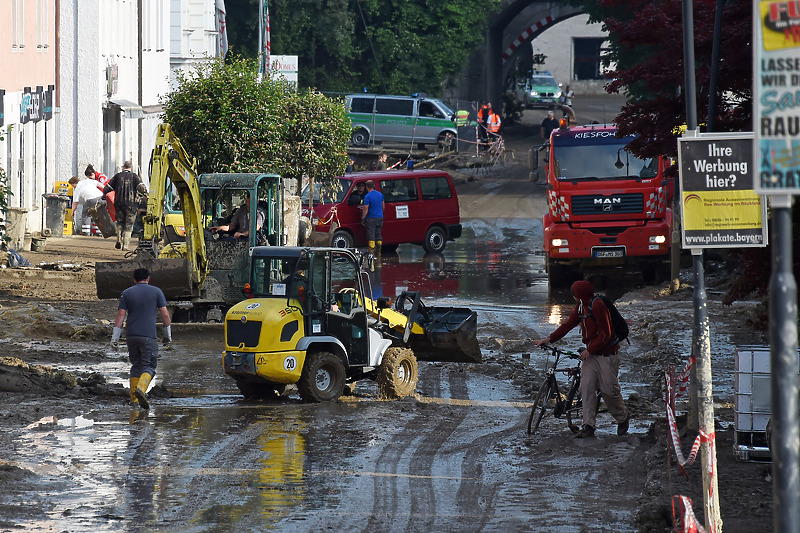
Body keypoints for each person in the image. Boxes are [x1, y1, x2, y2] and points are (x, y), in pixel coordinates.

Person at [535, 280, 630, 438]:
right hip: (591, 356)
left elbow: (605, 334)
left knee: (609, 390)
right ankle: (588, 426)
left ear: (579, 295)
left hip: (607, 355)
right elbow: (568, 325)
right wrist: (549, 339)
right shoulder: (581, 306)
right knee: (586, 389)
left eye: (574, 293)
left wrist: (589, 350)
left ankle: (623, 417)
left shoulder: (597, 305)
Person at [110, 267, 171, 409]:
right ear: (148, 279)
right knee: (149, 366)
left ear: (134, 280)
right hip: (148, 336)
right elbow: (165, 314)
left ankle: (134, 401)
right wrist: (167, 335)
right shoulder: (157, 292)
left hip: (131, 336)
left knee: (136, 366)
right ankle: (141, 390)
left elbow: (120, 315)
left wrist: (115, 338)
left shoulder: (126, 293)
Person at [104, 161, 146, 250]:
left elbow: (107, 188)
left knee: (119, 222)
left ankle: (118, 238)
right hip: (131, 205)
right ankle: (125, 245)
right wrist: (146, 194)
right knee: (129, 224)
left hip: (118, 203)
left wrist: (104, 195)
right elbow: (142, 188)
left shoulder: (117, 176)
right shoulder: (135, 176)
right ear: (131, 167)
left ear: (123, 166)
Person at [361, 179, 384, 256]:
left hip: (371, 218)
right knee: (378, 234)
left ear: (367, 187)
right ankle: (379, 251)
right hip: (380, 217)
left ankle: (371, 252)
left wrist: (363, 218)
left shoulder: (367, 197)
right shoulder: (380, 195)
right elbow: (383, 207)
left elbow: (365, 208)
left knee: (371, 235)